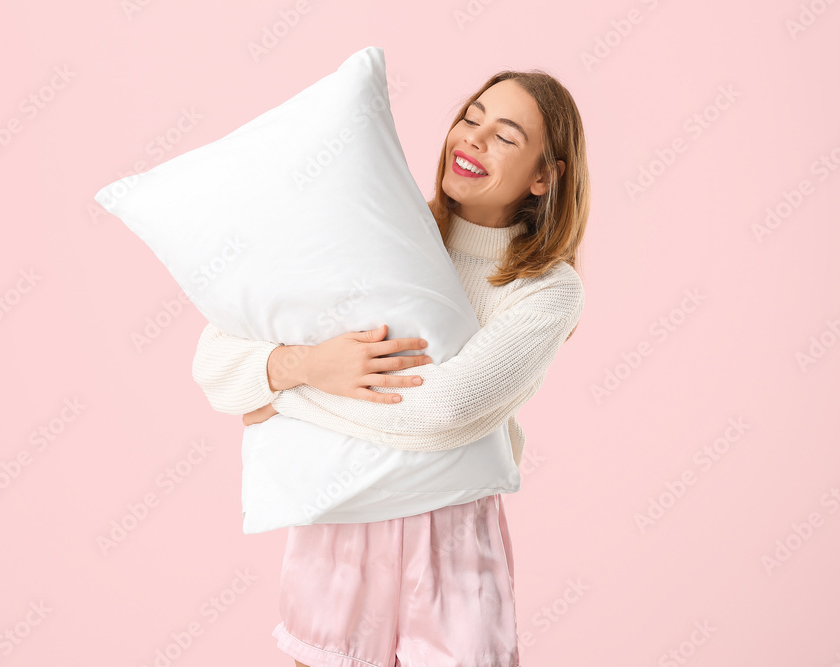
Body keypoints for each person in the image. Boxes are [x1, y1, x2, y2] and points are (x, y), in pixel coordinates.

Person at [192, 69, 589, 667]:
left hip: (452, 540)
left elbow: (446, 409)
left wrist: (289, 393)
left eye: (506, 136)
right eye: (470, 118)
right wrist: (308, 362)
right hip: (344, 521)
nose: (473, 139)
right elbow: (216, 363)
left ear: (544, 175)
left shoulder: (547, 291)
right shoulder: (377, 233)